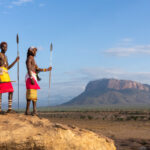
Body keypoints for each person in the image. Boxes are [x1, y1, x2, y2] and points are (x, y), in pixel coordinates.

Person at [25, 47, 52, 115]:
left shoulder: (33, 59)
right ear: (30, 51)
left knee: (32, 94)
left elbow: (37, 69)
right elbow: (28, 68)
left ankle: (31, 111)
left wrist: (47, 69)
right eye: (34, 50)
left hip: (33, 76)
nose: (35, 52)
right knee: (31, 94)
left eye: (36, 51)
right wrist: (31, 77)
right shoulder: (29, 58)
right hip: (30, 76)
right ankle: (30, 111)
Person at [0, 42, 19, 114]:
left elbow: (7, 67)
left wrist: (15, 61)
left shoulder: (5, 56)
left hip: (6, 74)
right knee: (0, 91)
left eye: (6, 47)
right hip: (0, 75)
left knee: (11, 90)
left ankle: (9, 109)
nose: (5, 48)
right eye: (4, 47)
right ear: (1, 47)